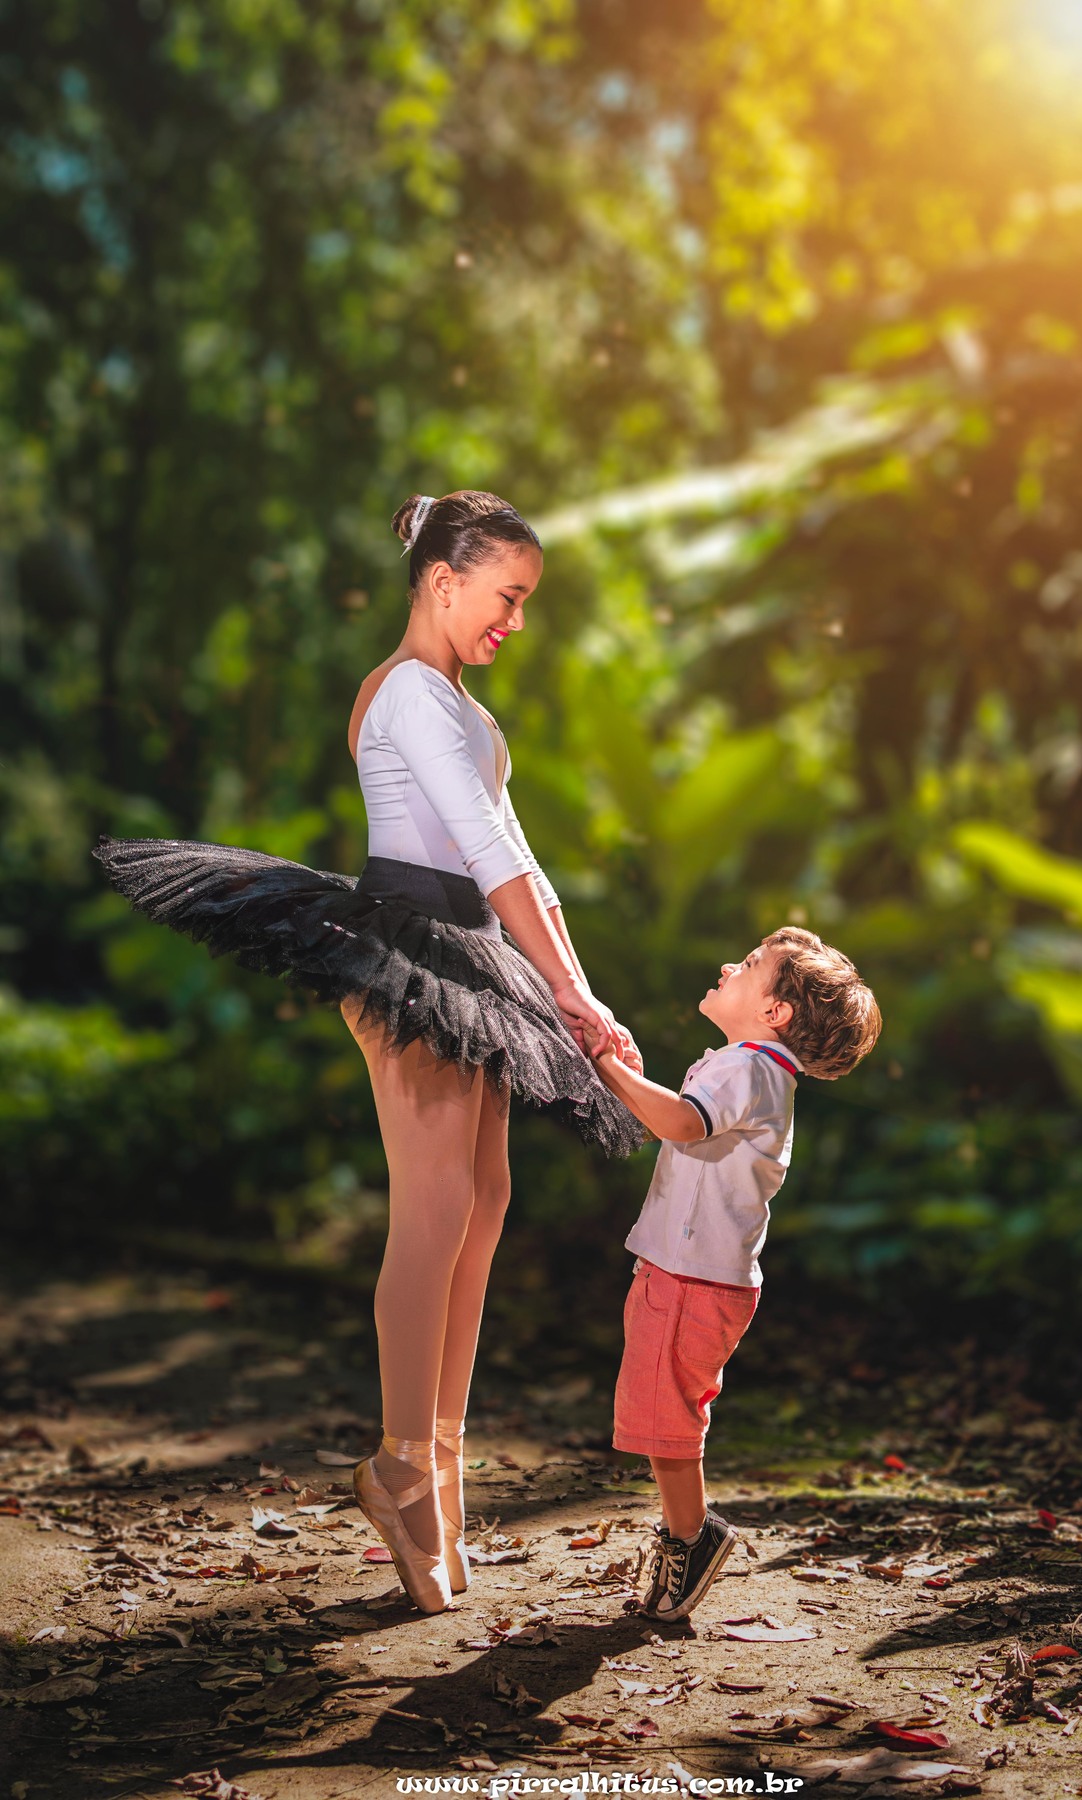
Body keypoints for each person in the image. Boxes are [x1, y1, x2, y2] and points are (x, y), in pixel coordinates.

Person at [94, 489, 643, 1615]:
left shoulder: (453, 702)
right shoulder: (403, 695)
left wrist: (579, 994)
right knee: (437, 1210)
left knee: (483, 1207)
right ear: (444, 582)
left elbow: (524, 867)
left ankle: (438, 1464)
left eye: (525, 601)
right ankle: (400, 1466)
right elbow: (485, 854)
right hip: (410, 943)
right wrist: (572, 993)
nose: (516, 621)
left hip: (475, 952)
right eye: (508, 596)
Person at [585, 926, 881, 1622]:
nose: (728, 964)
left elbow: (683, 1125)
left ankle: (691, 1537)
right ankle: (685, 1532)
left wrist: (608, 1066)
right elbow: (687, 1117)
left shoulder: (747, 1068)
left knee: (666, 1419)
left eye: (750, 966)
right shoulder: (753, 1068)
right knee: (664, 1415)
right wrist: (628, 1071)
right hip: (697, 1274)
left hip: (690, 1277)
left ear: (775, 1012)